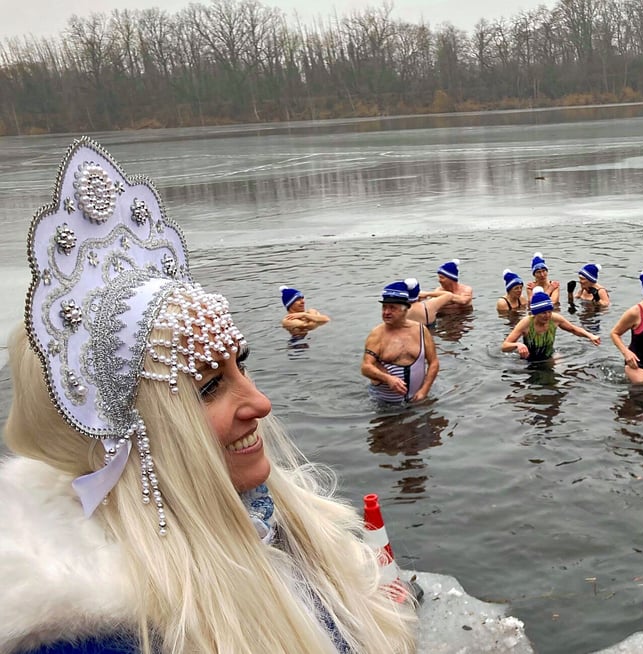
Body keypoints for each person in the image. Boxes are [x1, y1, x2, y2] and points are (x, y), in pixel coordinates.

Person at [0, 137, 416, 653]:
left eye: (241, 364)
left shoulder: (266, 514)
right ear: (126, 429)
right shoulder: (107, 637)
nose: (261, 403)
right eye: (209, 386)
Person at [362, 281, 439, 403]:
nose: (386, 312)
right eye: (384, 307)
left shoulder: (420, 330)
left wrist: (424, 390)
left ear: (405, 309)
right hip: (385, 404)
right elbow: (366, 367)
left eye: (392, 308)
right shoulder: (377, 334)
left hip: (418, 399)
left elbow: (433, 362)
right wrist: (388, 379)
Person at [501, 289, 600, 362]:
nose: (547, 315)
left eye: (549, 311)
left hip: (549, 356)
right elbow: (504, 346)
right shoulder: (526, 323)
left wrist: (590, 336)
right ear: (535, 313)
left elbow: (573, 329)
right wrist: (518, 345)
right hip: (528, 361)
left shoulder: (555, 318)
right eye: (543, 313)